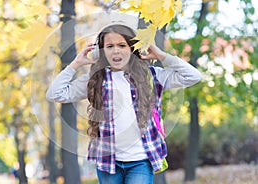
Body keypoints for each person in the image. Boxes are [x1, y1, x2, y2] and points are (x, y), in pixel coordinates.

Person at [46, 23, 201, 184]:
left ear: (132, 48)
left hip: (141, 161)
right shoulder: (95, 79)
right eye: (109, 46)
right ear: (102, 51)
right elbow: (54, 93)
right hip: (108, 162)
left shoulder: (152, 76)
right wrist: (75, 64)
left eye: (122, 45)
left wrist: (162, 56)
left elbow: (193, 76)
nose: (116, 50)